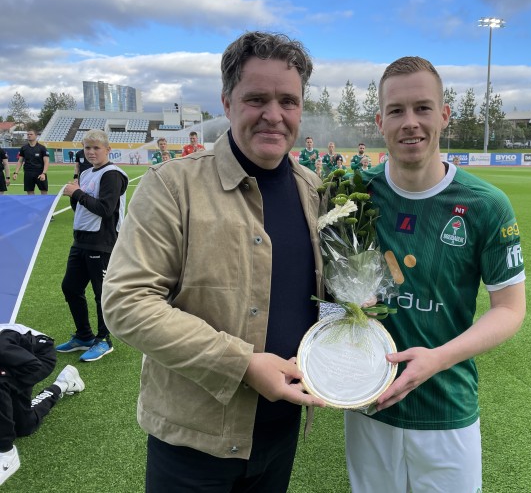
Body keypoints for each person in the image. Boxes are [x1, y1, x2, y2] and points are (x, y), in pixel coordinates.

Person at [102, 31, 326, 492]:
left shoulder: (314, 190)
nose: (274, 115)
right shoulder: (172, 186)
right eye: (256, 99)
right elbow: (127, 302)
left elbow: (320, 296)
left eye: (288, 101)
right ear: (227, 103)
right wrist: (243, 364)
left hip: (282, 433)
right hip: (193, 446)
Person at [345, 56, 526, 493]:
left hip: (447, 407)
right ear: (380, 122)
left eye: (422, 108)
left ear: (444, 115)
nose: (410, 122)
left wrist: (438, 359)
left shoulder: (486, 204)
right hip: (369, 404)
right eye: (396, 110)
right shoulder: (353, 194)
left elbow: (509, 309)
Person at [56, 129, 129, 363]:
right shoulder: (87, 173)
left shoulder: (112, 174)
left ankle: (104, 340)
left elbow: (105, 209)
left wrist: (77, 193)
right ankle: (84, 336)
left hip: (102, 242)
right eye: (87, 147)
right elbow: (80, 208)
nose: (91, 152)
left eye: (96, 148)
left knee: (101, 294)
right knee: (70, 287)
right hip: (81, 240)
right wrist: (75, 195)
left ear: (108, 150)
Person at [0, 323, 85, 487]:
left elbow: (32, 366)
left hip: (39, 356)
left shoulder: (3, 344)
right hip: (13, 359)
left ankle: (6, 454)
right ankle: (63, 384)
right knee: (24, 426)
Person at [12, 130, 49, 195]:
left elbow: (46, 162)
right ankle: (32, 202)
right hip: (28, 172)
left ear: (36, 136)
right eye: (28, 134)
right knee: (29, 191)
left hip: (40, 172)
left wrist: (44, 173)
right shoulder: (24, 148)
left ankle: (44, 202)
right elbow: (20, 161)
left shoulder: (42, 148)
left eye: (31, 134)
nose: (29, 135)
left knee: (43, 191)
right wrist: (16, 173)